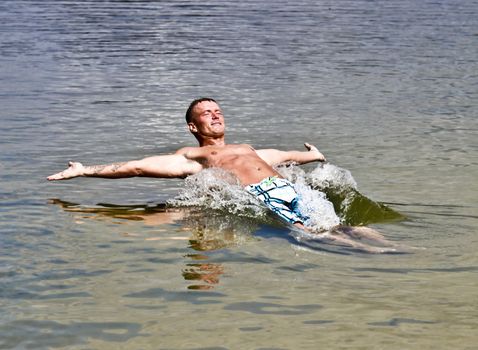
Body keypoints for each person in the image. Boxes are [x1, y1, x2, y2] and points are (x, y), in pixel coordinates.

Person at [48, 98, 398, 252]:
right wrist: (85, 171)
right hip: (266, 198)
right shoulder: (193, 156)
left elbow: (282, 156)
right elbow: (136, 167)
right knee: (314, 233)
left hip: (289, 188)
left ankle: (394, 248)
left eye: (218, 111)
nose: (215, 116)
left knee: (342, 225)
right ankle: (376, 259)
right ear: (192, 125)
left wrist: (312, 156)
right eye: (206, 113)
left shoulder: (246, 148)